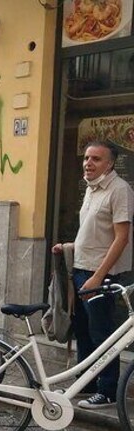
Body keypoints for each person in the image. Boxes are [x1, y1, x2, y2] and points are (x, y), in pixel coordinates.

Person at [53, 141, 134, 409]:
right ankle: (86, 383)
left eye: (96, 159)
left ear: (110, 164)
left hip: (101, 275)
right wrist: (69, 248)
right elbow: (95, 233)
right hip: (81, 268)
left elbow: (121, 238)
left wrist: (98, 277)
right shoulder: (91, 189)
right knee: (84, 330)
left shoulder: (119, 190)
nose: (88, 163)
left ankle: (109, 391)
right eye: (87, 157)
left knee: (102, 333)